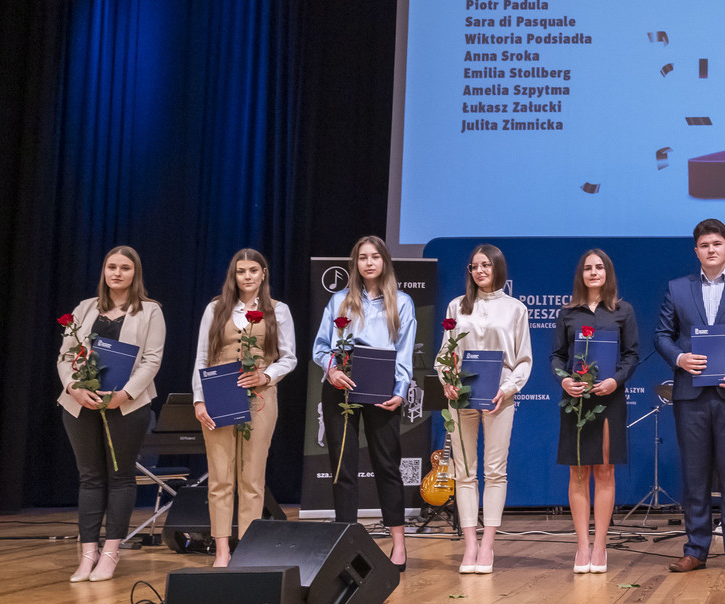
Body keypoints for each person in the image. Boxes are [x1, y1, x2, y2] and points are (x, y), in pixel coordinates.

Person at [654, 219, 725, 574]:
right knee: (695, 476)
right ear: (696, 251)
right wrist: (679, 358)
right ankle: (696, 549)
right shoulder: (677, 289)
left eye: (717, 244)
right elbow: (661, 336)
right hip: (691, 396)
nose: (711, 250)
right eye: (704, 245)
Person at [57, 246, 166, 583]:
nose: (117, 273)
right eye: (111, 267)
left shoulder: (150, 311)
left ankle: (110, 553)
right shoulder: (84, 308)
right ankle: (87, 554)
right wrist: (73, 387)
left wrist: (125, 394)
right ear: (104, 271)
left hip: (126, 404)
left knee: (120, 477)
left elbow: (152, 359)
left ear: (135, 273)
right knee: (89, 478)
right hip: (80, 403)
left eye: (125, 268)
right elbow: (65, 356)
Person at [312, 236, 417, 571]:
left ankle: (398, 544)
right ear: (355, 263)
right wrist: (332, 370)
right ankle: (346, 545)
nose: (369, 263)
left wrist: (400, 391)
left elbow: (404, 352)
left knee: (387, 465)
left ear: (385, 261)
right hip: (340, 386)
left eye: (375, 257)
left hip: (382, 387)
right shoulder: (339, 300)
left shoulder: (402, 302)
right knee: (342, 467)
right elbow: (321, 346)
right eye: (362, 257)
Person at [191, 249, 298, 566]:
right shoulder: (216, 308)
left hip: (261, 397)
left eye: (253, 270)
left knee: (252, 477)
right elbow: (201, 357)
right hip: (219, 394)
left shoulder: (278, 310)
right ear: (233, 275)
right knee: (220, 476)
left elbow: (289, 357)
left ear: (263, 273)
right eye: (241, 271)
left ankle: (248, 549)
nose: (247, 276)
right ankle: (222, 550)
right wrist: (199, 399)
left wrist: (266, 375)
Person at [439, 244, 532, 575]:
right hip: (461, 394)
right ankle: (470, 546)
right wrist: (447, 380)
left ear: (498, 268)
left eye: (486, 265)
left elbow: (523, 360)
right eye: (474, 266)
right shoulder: (456, 306)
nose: (479, 271)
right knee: (464, 472)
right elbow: (445, 354)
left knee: (495, 471)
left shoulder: (515, 309)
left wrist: (507, 389)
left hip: (499, 396)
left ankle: (488, 545)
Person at [553, 248, 639, 574]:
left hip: (609, 399)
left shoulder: (623, 311)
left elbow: (632, 355)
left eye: (599, 267)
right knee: (578, 473)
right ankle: (582, 546)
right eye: (588, 268)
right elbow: (556, 357)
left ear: (607, 273)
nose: (593, 272)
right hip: (575, 401)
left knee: (604, 471)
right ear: (581, 274)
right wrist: (564, 380)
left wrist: (616, 381)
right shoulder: (567, 313)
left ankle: (600, 545)